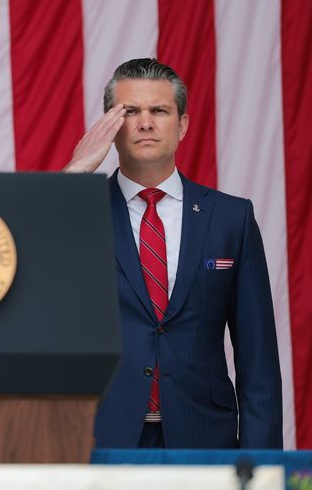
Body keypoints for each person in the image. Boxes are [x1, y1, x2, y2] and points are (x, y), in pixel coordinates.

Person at [65, 58, 282, 448]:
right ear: (109, 127)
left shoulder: (232, 218)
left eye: (159, 111)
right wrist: (75, 175)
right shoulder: (79, 213)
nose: (145, 123)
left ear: (181, 124)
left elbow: (259, 363)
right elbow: (35, 283)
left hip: (205, 438)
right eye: (130, 112)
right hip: (102, 438)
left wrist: (262, 467)